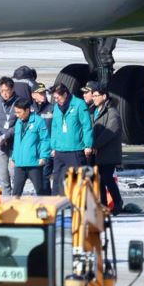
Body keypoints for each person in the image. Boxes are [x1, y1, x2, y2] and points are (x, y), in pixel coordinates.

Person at [49, 83, 93, 196]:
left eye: (57, 97)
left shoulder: (79, 104)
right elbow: (54, 128)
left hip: (75, 149)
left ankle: (79, 208)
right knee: (57, 181)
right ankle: (55, 206)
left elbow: (86, 126)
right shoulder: (56, 108)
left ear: (65, 94)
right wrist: (53, 146)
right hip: (59, 150)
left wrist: (88, 145)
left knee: (77, 181)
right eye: (54, 98)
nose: (56, 100)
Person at [87, 82, 124, 214]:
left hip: (108, 153)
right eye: (93, 95)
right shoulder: (93, 111)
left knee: (108, 178)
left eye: (97, 96)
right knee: (99, 180)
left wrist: (94, 145)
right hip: (96, 153)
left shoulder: (112, 112)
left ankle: (118, 202)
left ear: (104, 96)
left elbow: (110, 131)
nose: (94, 98)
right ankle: (102, 205)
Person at [8, 98, 51, 197]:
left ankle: (45, 211)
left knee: (40, 191)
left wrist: (44, 157)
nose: (17, 115)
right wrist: (14, 157)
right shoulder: (18, 122)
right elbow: (17, 141)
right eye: (16, 112)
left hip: (34, 164)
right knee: (16, 193)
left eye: (19, 112)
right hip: (19, 164)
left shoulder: (38, 121)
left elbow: (45, 140)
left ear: (27, 110)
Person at [0, 76, 18, 193]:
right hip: (1, 143)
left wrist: (5, 136)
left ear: (12, 89)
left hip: (14, 142)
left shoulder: (18, 102)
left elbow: (19, 124)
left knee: (13, 170)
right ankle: (6, 196)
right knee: (3, 172)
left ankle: (16, 195)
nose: (4, 94)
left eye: (7, 91)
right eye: (2, 91)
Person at [29, 82, 54, 183]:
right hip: (33, 150)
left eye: (44, 93)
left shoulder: (52, 109)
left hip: (47, 150)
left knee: (45, 178)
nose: (43, 95)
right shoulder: (29, 109)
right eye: (40, 93)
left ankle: (46, 197)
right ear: (33, 95)